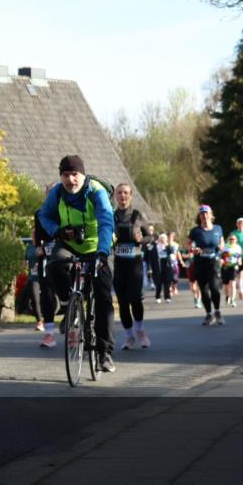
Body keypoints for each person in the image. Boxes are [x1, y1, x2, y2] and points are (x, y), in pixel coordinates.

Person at [40, 156, 117, 373]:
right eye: (65, 175)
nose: (70, 180)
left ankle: (104, 353)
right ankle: (68, 304)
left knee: (103, 297)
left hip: (98, 245)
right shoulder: (57, 192)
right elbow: (44, 215)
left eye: (75, 175)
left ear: (83, 175)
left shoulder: (96, 192)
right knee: (54, 264)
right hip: (70, 244)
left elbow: (106, 222)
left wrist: (102, 253)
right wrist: (57, 231)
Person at [111, 183, 150, 350]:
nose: (123, 196)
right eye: (119, 193)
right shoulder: (111, 216)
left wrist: (141, 240)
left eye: (126, 193)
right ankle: (129, 336)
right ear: (115, 196)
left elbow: (150, 237)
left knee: (135, 298)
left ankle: (140, 330)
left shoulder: (138, 215)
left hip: (135, 263)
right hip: (119, 263)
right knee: (122, 301)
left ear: (131, 196)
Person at [189, 205, 225, 326]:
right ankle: (209, 314)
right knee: (203, 289)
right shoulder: (195, 231)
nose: (204, 215)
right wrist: (194, 249)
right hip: (200, 262)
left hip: (214, 261)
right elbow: (189, 244)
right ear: (199, 216)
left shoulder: (218, 228)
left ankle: (217, 311)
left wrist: (221, 246)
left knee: (214, 287)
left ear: (211, 214)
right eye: (202, 214)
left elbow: (222, 241)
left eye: (206, 213)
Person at [34, 186, 60, 348]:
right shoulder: (39, 213)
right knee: (47, 295)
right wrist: (38, 247)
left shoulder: (66, 210)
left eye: (54, 193)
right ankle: (49, 334)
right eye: (48, 194)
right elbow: (38, 235)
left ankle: (74, 330)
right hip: (46, 258)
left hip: (65, 258)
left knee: (69, 293)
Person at [221, 234, 242, 307]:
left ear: (236, 240)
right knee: (225, 286)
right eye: (230, 239)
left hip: (234, 266)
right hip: (225, 267)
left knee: (232, 284)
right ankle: (227, 296)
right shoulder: (225, 246)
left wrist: (239, 262)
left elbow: (239, 256)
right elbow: (222, 256)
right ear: (228, 240)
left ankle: (233, 300)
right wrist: (222, 261)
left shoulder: (238, 247)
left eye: (233, 239)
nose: (232, 240)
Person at [154, 233, 174, 303]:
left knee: (167, 282)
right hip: (159, 265)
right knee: (159, 283)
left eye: (164, 238)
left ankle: (167, 297)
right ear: (159, 239)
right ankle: (158, 296)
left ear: (166, 239)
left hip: (167, 265)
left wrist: (167, 245)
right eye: (161, 238)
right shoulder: (156, 246)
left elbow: (171, 252)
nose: (162, 239)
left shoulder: (168, 246)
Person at [143, 224, 158, 290]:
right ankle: (150, 283)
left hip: (154, 257)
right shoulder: (145, 237)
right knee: (149, 270)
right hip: (146, 257)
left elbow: (158, 244)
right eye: (149, 229)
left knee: (154, 270)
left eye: (152, 229)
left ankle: (153, 282)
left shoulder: (155, 236)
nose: (150, 231)